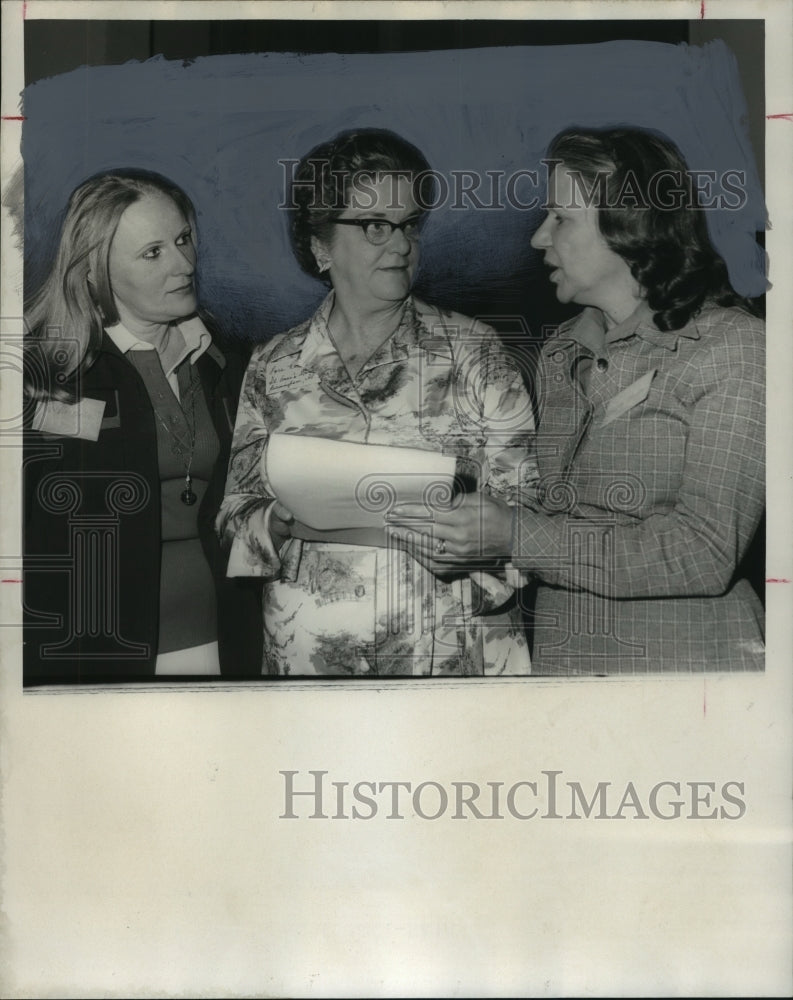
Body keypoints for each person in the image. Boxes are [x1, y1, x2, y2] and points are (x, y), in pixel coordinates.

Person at [393, 126, 765, 673]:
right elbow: (556, 517)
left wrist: (513, 533)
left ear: (629, 223)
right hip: (565, 668)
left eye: (560, 218)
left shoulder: (735, 348)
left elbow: (703, 552)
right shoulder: (561, 352)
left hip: (687, 670)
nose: (539, 238)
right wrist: (474, 536)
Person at [217, 128, 538, 676]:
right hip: (308, 655)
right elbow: (234, 513)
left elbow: (527, 511)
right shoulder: (272, 365)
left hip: (448, 652)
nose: (401, 245)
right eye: (375, 227)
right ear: (321, 246)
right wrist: (273, 521)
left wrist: (472, 554)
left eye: (410, 224)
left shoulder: (475, 350)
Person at [24, 169, 262, 683]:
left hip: (228, 641)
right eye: (152, 253)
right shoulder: (43, 375)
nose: (183, 264)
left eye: (182, 240)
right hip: (101, 656)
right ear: (94, 271)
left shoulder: (226, 360)